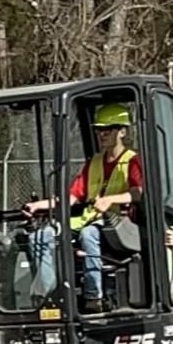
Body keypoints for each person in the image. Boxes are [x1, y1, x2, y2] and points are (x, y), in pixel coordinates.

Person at [26, 101, 146, 295]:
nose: (102, 134)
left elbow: (138, 192)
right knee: (39, 237)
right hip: (87, 219)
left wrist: (110, 200)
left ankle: (94, 294)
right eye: (99, 130)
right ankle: (47, 291)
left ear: (122, 131)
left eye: (108, 129)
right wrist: (38, 205)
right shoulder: (94, 162)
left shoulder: (132, 161)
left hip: (118, 224)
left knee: (88, 234)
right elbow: (72, 196)